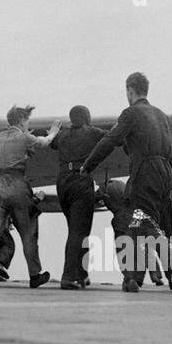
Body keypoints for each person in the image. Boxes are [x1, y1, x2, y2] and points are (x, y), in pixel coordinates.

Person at [81, 72, 172, 292]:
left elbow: (110, 140)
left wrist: (88, 165)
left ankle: (165, 269)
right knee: (164, 225)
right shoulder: (164, 117)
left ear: (130, 91)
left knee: (139, 223)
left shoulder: (130, 113)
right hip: (166, 172)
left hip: (145, 171)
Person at [0, 105, 59, 288]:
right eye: (27, 121)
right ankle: (34, 275)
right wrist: (53, 133)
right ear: (23, 121)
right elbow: (43, 143)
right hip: (16, 185)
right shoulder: (25, 137)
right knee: (28, 232)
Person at [51, 106, 104, 290]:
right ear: (87, 118)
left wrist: (54, 130)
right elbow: (114, 138)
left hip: (62, 182)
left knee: (75, 229)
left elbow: (52, 142)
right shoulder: (92, 132)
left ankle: (81, 274)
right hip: (81, 180)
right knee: (79, 232)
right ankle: (68, 276)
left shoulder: (63, 134)